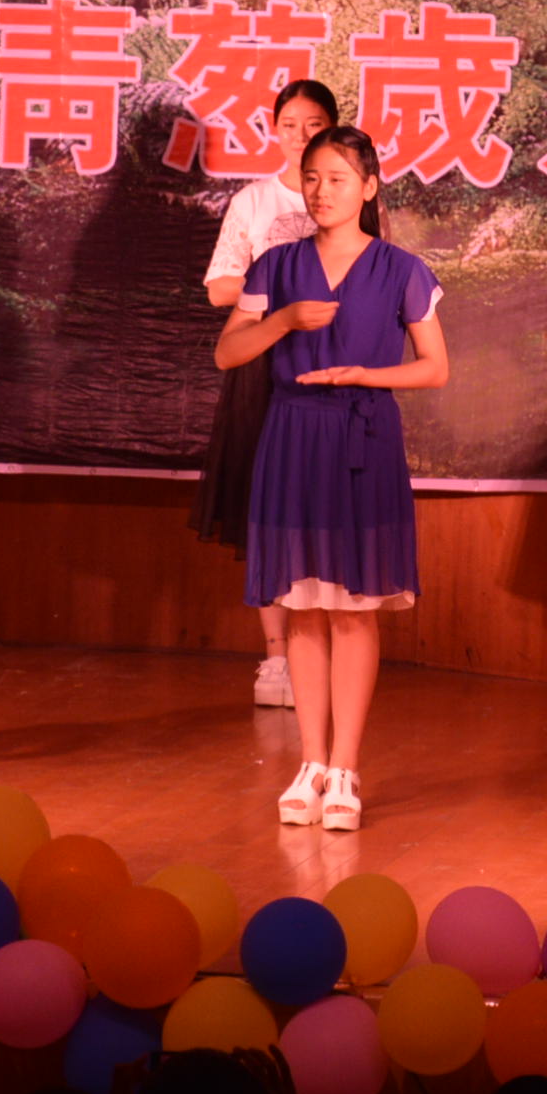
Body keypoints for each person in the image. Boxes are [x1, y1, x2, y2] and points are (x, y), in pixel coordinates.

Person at [216, 126, 448, 832]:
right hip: (291, 437)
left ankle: (345, 768)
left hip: (363, 438)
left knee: (353, 609)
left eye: (338, 179)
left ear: (369, 187)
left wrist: (365, 376)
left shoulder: (402, 269)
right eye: (312, 177)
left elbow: (435, 367)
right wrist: (283, 321)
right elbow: (228, 352)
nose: (321, 191)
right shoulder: (278, 265)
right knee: (303, 606)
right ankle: (311, 763)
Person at [192, 78, 339, 711]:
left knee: (325, 512)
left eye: (314, 125)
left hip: (334, 368)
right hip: (262, 370)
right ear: (273, 131)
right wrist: (284, 288)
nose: (300, 137)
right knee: (269, 515)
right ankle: (277, 658)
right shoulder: (254, 200)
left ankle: (323, 652)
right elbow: (220, 288)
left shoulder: (350, 193)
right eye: (289, 126)